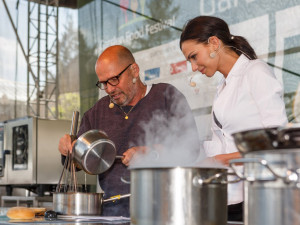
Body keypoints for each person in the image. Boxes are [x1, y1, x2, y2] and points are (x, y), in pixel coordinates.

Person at [58, 45, 200, 217]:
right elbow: (80, 163)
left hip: (163, 211)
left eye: (114, 79)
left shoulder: (165, 96)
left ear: (134, 70)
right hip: (113, 212)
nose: (109, 89)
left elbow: (190, 149)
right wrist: (68, 150)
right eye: (103, 83)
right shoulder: (97, 112)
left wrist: (151, 153)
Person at [179, 16, 288, 221]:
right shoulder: (223, 87)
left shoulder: (256, 72)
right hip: (231, 198)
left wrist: (220, 160)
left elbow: (278, 142)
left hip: (261, 196)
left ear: (214, 43)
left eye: (194, 56)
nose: (193, 67)